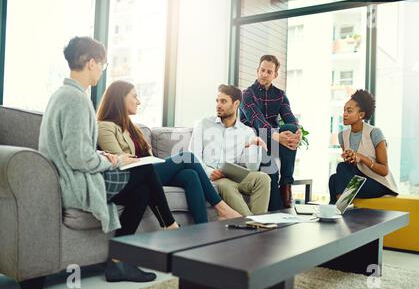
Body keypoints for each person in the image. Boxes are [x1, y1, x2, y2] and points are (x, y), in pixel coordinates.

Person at [39, 37, 175, 284]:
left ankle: (117, 262)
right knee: (145, 172)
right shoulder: (77, 100)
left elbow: (74, 149)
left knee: (142, 192)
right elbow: (79, 158)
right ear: (91, 63)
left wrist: (103, 155)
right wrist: (112, 162)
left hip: (70, 178)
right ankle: (171, 228)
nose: (102, 71)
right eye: (102, 65)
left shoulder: (61, 95)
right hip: (77, 184)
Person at [97, 81, 242, 222]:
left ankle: (201, 231)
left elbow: (148, 156)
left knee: (189, 175)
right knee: (187, 157)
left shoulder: (134, 128)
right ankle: (222, 208)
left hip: (150, 173)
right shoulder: (105, 126)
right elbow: (120, 161)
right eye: (134, 96)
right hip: (133, 176)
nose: (139, 101)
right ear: (120, 98)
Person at [189, 84, 271, 216]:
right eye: (217, 101)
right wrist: (209, 172)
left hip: (237, 176)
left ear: (236, 103)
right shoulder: (203, 124)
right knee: (226, 185)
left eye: (223, 101)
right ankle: (253, 224)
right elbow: (193, 156)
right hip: (215, 177)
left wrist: (252, 145)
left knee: (264, 179)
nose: (218, 105)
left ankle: (257, 223)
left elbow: (252, 167)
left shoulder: (247, 132)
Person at [240, 55, 302, 210]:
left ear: (275, 75)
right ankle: (277, 215)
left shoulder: (280, 95)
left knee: (291, 129)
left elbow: (289, 118)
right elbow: (256, 119)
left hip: (274, 140)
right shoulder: (246, 94)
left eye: (269, 72)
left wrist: (297, 132)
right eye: (262, 70)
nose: (264, 74)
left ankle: (287, 185)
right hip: (254, 141)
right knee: (271, 172)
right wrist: (276, 136)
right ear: (257, 71)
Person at [328, 90, 398, 204]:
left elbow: (384, 170)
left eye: (349, 111)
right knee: (334, 178)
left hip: (378, 183)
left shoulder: (375, 133)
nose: (344, 114)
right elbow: (351, 167)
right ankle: (338, 208)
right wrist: (351, 159)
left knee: (339, 172)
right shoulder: (343, 136)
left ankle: (338, 208)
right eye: (344, 110)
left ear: (361, 115)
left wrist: (361, 157)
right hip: (359, 179)